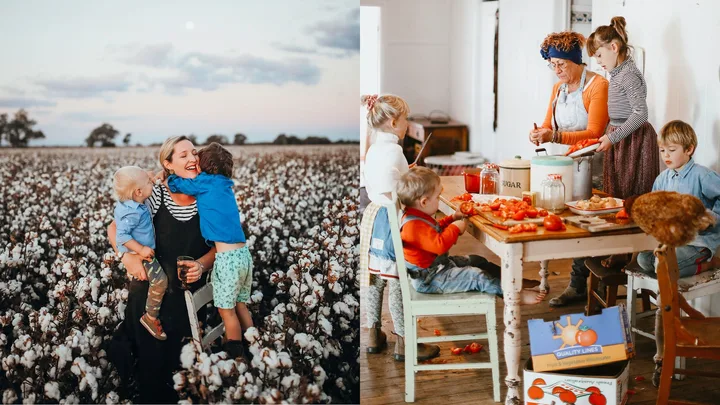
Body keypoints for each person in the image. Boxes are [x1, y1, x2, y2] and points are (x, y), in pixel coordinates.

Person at [107, 136, 217, 403]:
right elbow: (115, 228)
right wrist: (125, 257)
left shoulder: (208, 198)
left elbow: (219, 248)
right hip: (151, 302)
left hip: (188, 300)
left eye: (194, 152)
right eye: (183, 155)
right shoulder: (155, 194)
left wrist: (201, 265)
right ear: (167, 164)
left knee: (182, 371)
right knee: (153, 374)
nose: (192, 158)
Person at [632, 120, 720, 387]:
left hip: (698, 244)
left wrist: (710, 217)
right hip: (671, 246)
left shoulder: (702, 175)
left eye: (671, 150)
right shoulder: (663, 179)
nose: (666, 156)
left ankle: (662, 357)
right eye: (662, 151)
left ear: (689, 149)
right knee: (643, 259)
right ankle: (682, 295)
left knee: (664, 276)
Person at [528, 31, 612, 307]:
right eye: (552, 64)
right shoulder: (558, 90)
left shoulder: (598, 86)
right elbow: (548, 126)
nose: (556, 70)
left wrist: (554, 137)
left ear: (577, 60)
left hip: (591, 166)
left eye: (561, 63)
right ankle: (558, 280)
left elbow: (594, 132)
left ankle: (578, 285)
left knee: (583, 225)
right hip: (561, 164)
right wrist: (540, 133)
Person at [358, 94, 440, 362]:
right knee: (397, 282)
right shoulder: (395, 151)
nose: (408, 124)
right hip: (394, 220)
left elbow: (385, 181)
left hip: (374, 218)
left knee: (375, 279)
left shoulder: (374, 148)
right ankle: (405, 343)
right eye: (406, 119)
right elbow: (405, 193)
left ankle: (373, 334)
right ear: (394, 122)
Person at [397, 167, 545, 303]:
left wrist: (452, 218)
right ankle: (512, 294)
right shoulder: (412, 226)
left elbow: (433, 230)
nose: (439, 199)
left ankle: (510, 281)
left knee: (477, 260)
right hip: (431, 279)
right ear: (424, 202)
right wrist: (455, 228)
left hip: (439, 268)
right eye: (437, 197)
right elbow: (439, 245)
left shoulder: (418, 216)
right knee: (476, 276)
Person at [167, 142, 253, 354]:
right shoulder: (225, 183)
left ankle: (237, 355)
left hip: (227, 259)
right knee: (241, 305)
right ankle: (257, 346)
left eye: (196, 158)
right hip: (244, 255)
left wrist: (168, 178)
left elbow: (178, 185)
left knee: (227, 312)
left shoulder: (204, 182)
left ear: (203, 166)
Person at [587, 16, 660, 200]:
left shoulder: (628, 75)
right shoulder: (618, 74)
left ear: (613, 47)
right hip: (620, 135)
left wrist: (613, 136)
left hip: (634, 139)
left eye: (599, 56)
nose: (598, 62)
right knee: (617, 195)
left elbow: (641, 113)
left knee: (633, 197)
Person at [113, 166, 168, 340]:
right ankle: (150, 317)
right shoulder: (133, 212)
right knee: (160, 281)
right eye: (147, 182)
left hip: (137, 251)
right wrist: (139, 250)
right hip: (141, 255)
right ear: (138, 191)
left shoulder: (131, 202)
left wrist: (150, 176)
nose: (151, 182)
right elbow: (121, 236)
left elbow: (146, 181)